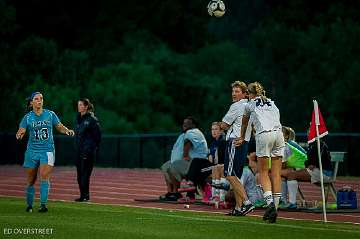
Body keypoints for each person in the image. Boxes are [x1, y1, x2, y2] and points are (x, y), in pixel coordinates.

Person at [16, 92, 75, 213]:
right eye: (36, 99)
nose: (39, 101)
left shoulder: (50, 114)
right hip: (32, 151)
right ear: (31, 102)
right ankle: (29, 205)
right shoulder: (27, 117)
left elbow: (59, 126)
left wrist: (67, 130)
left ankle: (43, 205)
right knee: (31, 180)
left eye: (41, 99)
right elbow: (21, 130)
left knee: (44, 176)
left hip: (47, 150)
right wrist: (19, 134)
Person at [236, 82, 285, 223]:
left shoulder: (249, 105)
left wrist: (241, 137)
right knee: (276, 174)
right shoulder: (272, 102)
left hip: (264, 135)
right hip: (279, 135)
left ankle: (270, 205)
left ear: (249, 94)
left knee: (263, 172)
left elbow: (245, 124)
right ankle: (275, 209)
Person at [220, 81, 254, 216]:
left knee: (229, 175)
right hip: (244, 142)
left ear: (245, 93)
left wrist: (220, 124)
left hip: (235, 142)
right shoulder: (250, 105)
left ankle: (247, 202)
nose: (234, 94)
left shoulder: (236, 106)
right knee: (236, 176)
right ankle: (239, 207)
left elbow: (225, 125)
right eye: (233, 91)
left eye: (237, 91)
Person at [160, 117, 208, 201]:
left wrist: (185, 156)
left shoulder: (193, 132)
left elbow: (187, 142)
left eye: (187, 123)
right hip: (188, 162)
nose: (184, 125)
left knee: (173, 166)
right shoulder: (185, 134)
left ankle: (176, 192)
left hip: (195, 164)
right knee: (165, 166)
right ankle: (170, 192)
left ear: (193, 125)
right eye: (184, 123)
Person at [284, 138, 333, 209]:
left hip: (324, 173)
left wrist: (312, 164)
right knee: (291, 174)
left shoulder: (319, 144)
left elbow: (315, 160)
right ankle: (288, 202)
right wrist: (309, 164)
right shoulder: (313, 145)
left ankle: (292, 203)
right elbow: (308, 161)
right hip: (318, 170)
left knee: (292, 175)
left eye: (310, 132)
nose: (308, 134)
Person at [74, 98, 101, 202]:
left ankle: (86, 196)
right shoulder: (78, 118)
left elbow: (98, 137)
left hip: (88, 152)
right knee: (79, 175)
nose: (79, 106)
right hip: (79, 151)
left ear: (86, 106)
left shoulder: (92, 120)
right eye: (78, 104)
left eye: (81, 105)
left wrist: (90, 148)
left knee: (85, 175)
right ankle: (83, 195)